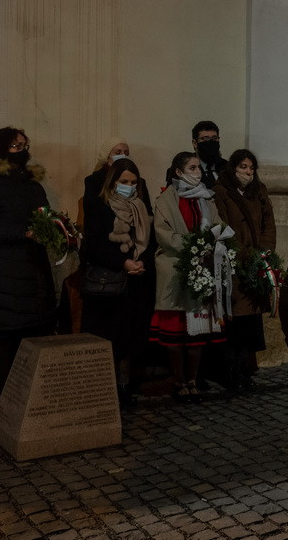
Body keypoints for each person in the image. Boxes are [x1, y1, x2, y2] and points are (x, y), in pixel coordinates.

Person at [0, 127, 56, 402]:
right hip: (2, 273)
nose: (22, 151)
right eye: (15, 146)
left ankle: (30, 398)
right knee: (5, 338)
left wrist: (57, 230)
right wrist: (22, 233)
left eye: (24, 146)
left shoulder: (33, 185)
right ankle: (2, 398)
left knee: (33, 335)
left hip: (33, 270)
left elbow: (45, 217)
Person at [150, 151, 227, 402]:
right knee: (175, 334)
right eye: (192, 168)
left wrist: (213, 243)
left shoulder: (207, 198)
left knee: (197, 332)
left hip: (202, 268)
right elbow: (163, 233)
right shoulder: (166, 200)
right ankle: (178, 379)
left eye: (198, 168)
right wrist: (192, 246)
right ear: (178, 172)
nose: (198, 172)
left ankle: (192, 379)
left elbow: (217, 225)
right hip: (175, 269)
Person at [80, 157, 155, 407]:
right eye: (124, 181)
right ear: (113, 181)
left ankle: (124, 384)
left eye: (133, 182)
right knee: (108, 337)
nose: (129, 186)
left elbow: (150, 241)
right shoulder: (99, 205)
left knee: (130, 338)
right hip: (109, 283)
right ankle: (105, 388)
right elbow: (94, 244)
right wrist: (123, 262)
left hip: (136, 282)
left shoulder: (141, 206)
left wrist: (142, 261)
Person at [212, 149, 277, 392]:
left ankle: (244, 367)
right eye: (243, 167)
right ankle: (230, 370)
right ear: (233, 168)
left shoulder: (259, 191)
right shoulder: (221, 191)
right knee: (234, 320)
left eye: (251, 168)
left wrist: (264, 252)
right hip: (233, 264)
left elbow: (268, 224)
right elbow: (221, 225)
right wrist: (242, 255)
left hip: (256, 263)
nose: (248, 172)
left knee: (250, 320)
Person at [191, 120, 226, 187]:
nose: (211, 142)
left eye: (214, 138)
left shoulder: (228, 168)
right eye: (205, 139)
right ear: (195, 143)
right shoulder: (184, 168)